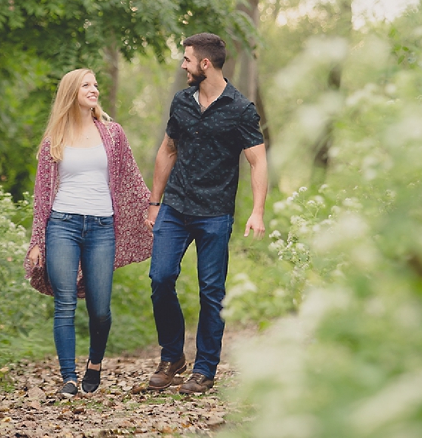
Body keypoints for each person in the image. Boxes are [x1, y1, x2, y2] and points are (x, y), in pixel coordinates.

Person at [146, 32, 268, 395]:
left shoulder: (241, 108)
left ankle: (204, 369)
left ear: (204, 63)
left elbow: (257, 161)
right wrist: (154, 203)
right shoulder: (181, 102)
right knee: (160, 278)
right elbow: (168, 150)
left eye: (186, 59)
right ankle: (172, 358)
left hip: (215, 212)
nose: (182, 65)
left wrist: (257, 211)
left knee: (211, 291)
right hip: (175, 206)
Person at [25, 69, 152, 397]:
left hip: (102, 228)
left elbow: (130, 179)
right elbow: (42, 194)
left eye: (96, 84)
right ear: (71, 92)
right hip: (62, 225)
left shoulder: (112, 133)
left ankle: (94, 364)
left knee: (100, 308)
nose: (94, 89)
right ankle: (68, 377)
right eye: (87, 85)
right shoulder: (54, 139)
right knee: (64, 303)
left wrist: (151, 209)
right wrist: (38, 239)